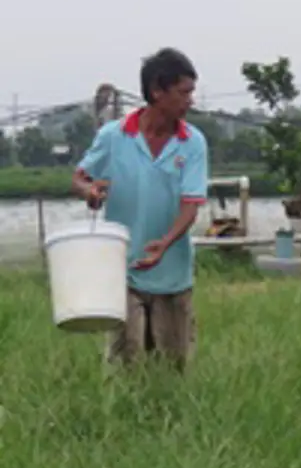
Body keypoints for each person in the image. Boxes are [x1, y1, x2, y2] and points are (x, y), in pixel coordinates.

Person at [72, 48, 208, 369]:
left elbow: (191, 205)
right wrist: (90, 191)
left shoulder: (192, 142)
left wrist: (165, 242)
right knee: (124, 364)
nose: (190, 100)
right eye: (183, 92)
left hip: (173, 272)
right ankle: (121, 418)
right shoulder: (114, 136)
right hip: (123, 269)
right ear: (157, 91)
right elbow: (80, 178)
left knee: (174, 367)